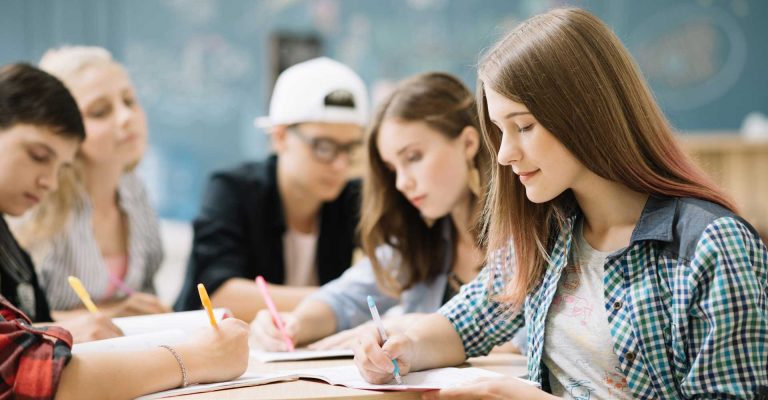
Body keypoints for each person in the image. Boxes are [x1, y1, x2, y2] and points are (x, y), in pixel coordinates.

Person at [352, 8, 768, 399]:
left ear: (587, 114)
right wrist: (402, 346)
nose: (504, 154)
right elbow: (466, 323)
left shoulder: (712, 245)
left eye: (524, 127)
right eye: (500, 131)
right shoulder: (548, 231)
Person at [0, 63, 250, 400]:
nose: (48, 180)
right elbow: (32, 372)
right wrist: (196, 358)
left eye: (130, 102)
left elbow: (31, 326)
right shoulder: (27, 214)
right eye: (38, 156)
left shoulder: (135, 194)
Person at [253, 72, 524, 353]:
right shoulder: (421, 239)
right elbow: (347, 298)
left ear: (468, 143)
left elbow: (540, 338)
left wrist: (416, 330)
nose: (401, 182)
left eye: (413, 157)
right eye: (393, 168)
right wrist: (293, 324)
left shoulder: (527, 233)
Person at [175, 57, 367, 321]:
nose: (340, 164)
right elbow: (217, 295)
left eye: (351, 148)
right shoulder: (233, 190)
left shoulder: (352, 197)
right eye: (324, 147)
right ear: (280, 137)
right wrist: (342, 299)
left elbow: (395, 278)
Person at [13, 46, 168, 321]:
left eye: (129, 101)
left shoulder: (134, 190)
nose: (126, 118)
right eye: (99, 112)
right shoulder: (33, 202)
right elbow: (18, 323)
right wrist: (109, 315)